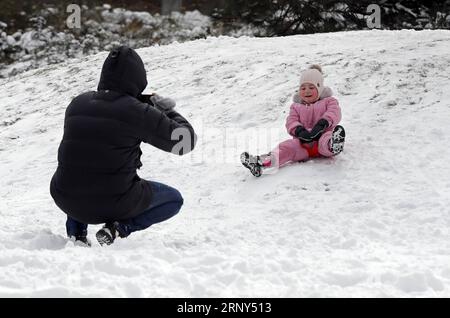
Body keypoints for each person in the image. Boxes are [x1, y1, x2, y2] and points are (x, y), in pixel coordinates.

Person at [50, 46, 197, 246]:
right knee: (173, 199)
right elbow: (185, 142)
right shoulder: (137, 112)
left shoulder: (77, 103)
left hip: (64, 196)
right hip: (112, 201)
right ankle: (119, 228)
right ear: (138, 79)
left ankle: (76, 235)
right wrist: (164, 110)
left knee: (83, 166)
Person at [241, 64, 345, 177]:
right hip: (302, 144)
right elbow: (291, 120)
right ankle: (261, 163)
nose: (307, 91)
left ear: (319, 88)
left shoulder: (329, 101)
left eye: (311, 87)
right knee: (286, 148)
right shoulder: (296, 106)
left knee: (326, 140)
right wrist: (299, 131)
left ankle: (334, 145)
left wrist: (322, 124)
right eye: (303, 88)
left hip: (323, 136)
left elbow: (334, 112)